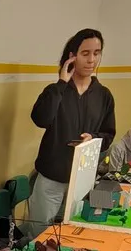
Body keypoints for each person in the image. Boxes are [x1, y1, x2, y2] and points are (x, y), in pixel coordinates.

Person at [24, 29, 116, 236]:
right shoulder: (56, 90)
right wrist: (60, 84)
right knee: (39, 233)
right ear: (72, 56)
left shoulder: (103, 95)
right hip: (51, 176)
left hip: (82, 180)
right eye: (85, 53)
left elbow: (109, 134)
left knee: (72, 233)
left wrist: (94, 137)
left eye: (97, 53)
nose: (91, 60)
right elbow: (40, 119)